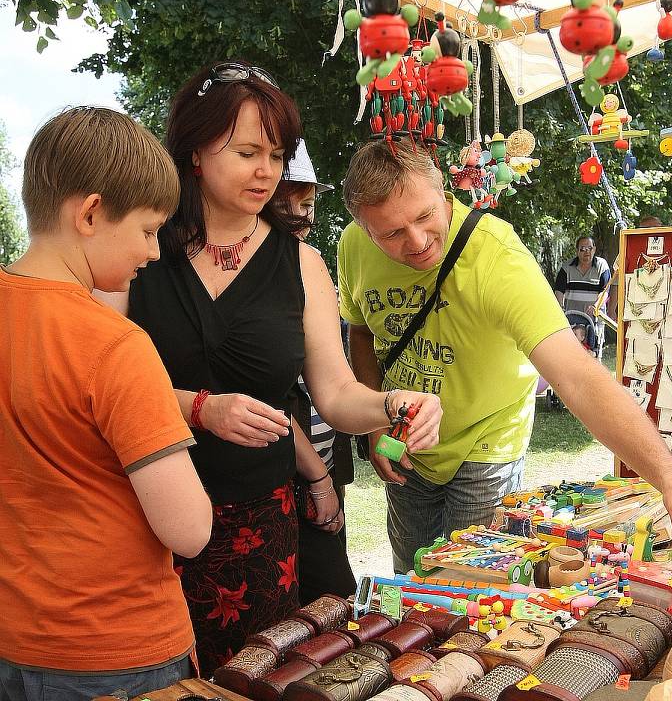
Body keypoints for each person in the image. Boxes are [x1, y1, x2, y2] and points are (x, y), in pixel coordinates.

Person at [99, 62, 441, 676]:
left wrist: (391, 405)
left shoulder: (302, 263)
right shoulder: (139, 248)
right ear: (196, 151)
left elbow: (335, 394)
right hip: (147, 518)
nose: (268, 171)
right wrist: (199, 407)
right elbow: (95, 382)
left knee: (256, 678)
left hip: (260, 524)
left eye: (277, 154)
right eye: (248, 152)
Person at [337, 141, 672, 575]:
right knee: (412, 579)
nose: (416, 242)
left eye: (426, 216)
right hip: (408, 439)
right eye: (391, 233)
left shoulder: (495, 256)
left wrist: (671, 477)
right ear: (366, 230)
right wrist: (376, 425)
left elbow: (577, 376)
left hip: (486, 441)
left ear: (443, 191)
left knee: (471, 584)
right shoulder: (354, 246)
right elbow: (361, 330)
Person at [0, 107, 212, 701]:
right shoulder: (115, 344)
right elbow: (189, 529)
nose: (151, 253)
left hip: (14, 638)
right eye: (147, 231)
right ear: (90, 213)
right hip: (115, 650)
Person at [270, 140, 357, 605]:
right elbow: (274, 398)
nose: (304, 216)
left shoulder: (310, 264)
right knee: (317, 593)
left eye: (309, 204)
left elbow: (333, 382)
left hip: (325, 459)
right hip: (290, 471)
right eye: (292, 205)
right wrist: (317, 476)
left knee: (332, 592)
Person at [554, 235, 611, 358]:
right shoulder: (567, 267)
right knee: (569, 354)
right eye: (583, 249)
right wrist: (560, 308)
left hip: (594, 319)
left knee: (593, 353)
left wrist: (595, 306)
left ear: (594, 249)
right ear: (577, 251)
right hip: (571, 319)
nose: (587, 252)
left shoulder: (602, 266)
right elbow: (559, 290)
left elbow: (605, 291)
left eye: (589, 248)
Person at [606, 214, 663, 321]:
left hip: (661, 307)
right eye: (646, 229)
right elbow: (616, 282)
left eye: (656, 229)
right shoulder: (628, 248)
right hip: (634, 308)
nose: (652, 233)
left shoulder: (667, 248)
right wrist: (612, 310)